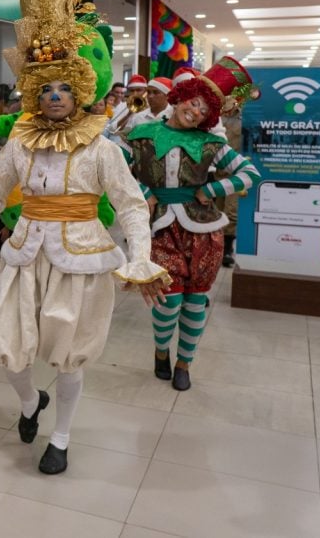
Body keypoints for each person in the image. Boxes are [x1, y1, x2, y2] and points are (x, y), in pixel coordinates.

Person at [0, 0, 169, 475]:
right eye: (44, 87)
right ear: (33, 92)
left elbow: (133, 206)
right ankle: (30, 403)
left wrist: (141, 258)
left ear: (80, 91)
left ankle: (62, 437)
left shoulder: (102, 148)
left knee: (70, 355)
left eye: (64, 87)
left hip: (83, 261)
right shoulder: (21, 142)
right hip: (23, 255)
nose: (53, 96)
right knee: (5, 345)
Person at [119, 57, 260, 392]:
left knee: (196, 301)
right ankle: (161, 350)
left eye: (203, 111)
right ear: (181, 97)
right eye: (193, 103)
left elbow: (250, 174)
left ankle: (184, 363)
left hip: (206, 231)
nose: (195, 112)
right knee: (167, 300)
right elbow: (112, 168)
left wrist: (211, 188)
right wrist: (141, 190)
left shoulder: (211, 143)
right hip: (160, 229)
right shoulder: (141, 134)